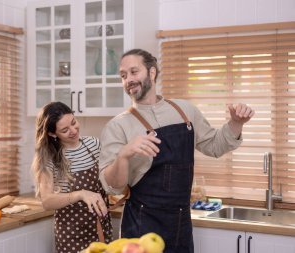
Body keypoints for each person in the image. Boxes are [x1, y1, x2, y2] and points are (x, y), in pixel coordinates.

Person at [99, 49, 254, 253]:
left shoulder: (185, 111)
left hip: (180, 223)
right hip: (141, 226)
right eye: (123, 75)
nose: (128, 80)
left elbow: (215, 146)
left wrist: (236, 123)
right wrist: (124, 155)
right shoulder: (118, 126)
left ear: (152, 72)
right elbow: (113, 187)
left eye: (134, 72)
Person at [31, 101, 112, 253]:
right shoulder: (49, 158)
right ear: (52, 133)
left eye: (74, 122)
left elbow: (108, 178)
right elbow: (47, 201)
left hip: (100, 226)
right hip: (71, 235)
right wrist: (81, 194)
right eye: (65, 130)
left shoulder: (94, 145)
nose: (74, 130)